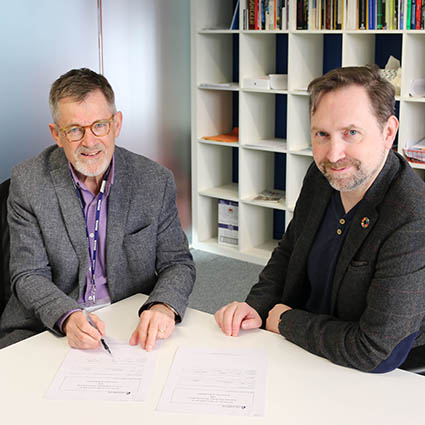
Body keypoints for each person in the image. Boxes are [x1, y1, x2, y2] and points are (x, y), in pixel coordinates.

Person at [215, 65, 425, 373]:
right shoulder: (321, 176)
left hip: (378, 375)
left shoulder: (411, 217)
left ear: (388, 132)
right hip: (310, 347)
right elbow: (289, 252)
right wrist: (256, 306)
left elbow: (377, 352)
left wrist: (287, 321)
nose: (333, 153)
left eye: (351, 133)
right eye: (321, 134)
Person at [0, 68, 195, 351]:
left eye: (99, 126)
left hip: (129, 321)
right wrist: (66, 317)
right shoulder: (29, 182)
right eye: (75, 130)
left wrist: (163, 306)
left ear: (116, 124)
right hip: (47, 325)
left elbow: (177, 262)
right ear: (57, 134)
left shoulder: (154, 181)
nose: (89, 142)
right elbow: (28, 274)